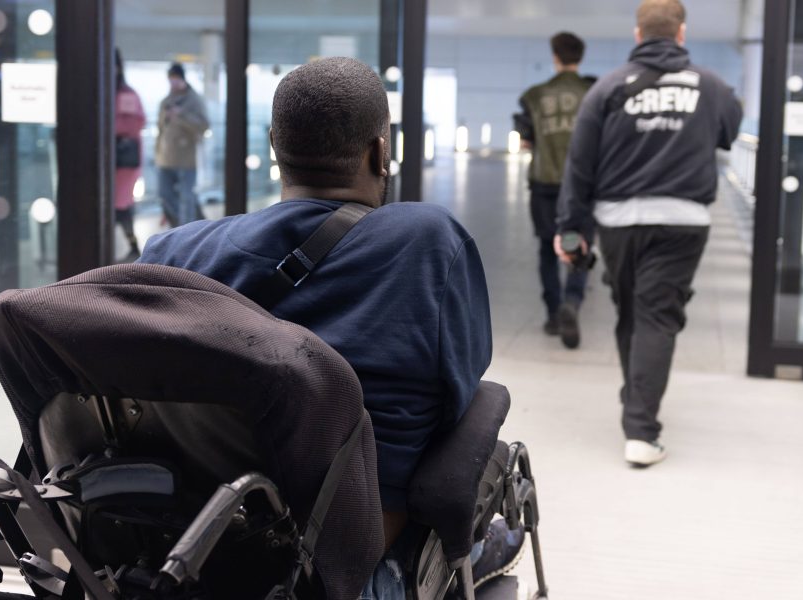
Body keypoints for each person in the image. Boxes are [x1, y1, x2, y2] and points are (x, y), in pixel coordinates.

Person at [138, 57, 521, 597]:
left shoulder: (175, 251)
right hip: (349, 567)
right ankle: (477, 552)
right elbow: (456, 394)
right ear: (380, 151)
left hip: (201, 550)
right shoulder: (428, 243)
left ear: (275, 146)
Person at [556, 0, 742, 467]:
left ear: (639, 35)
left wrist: (571, 226)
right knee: (656, 316)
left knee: (632, 312)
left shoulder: (609, 88)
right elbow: (728, 132)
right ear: (681, 34)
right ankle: (640, 423)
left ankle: (638, 411)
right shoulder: (714, 87)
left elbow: (581, 163)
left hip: (618, 222)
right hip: (683, 223)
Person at [516, 32, 594, 349]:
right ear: (580, 57)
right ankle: (572, 304)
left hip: (545, 187)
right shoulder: (593, 93)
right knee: (578, 248)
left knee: (548, 250)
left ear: (555, 57)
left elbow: (525, 141)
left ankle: (552, 314)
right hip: (581, 188)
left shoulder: (534, 96)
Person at [155, 62, 209, 227]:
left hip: (186, 158)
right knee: (164, 194)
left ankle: (187, 232)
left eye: (176, 79)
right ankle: (180, 227)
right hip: (164, 157)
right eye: (171, 79)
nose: (173, 83)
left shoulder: (194, 100)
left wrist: (181, 116)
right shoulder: (166, 101)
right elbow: (160, 128)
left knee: (187, 198)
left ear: (183, 79)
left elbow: (204, 125)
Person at [114, 49, 146, 262]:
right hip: (114, 155)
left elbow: (138, 122)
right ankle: (131, 244)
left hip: (124, 158)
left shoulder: (127, 94)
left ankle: (133, 245)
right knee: (119, 204)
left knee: (121, 203)